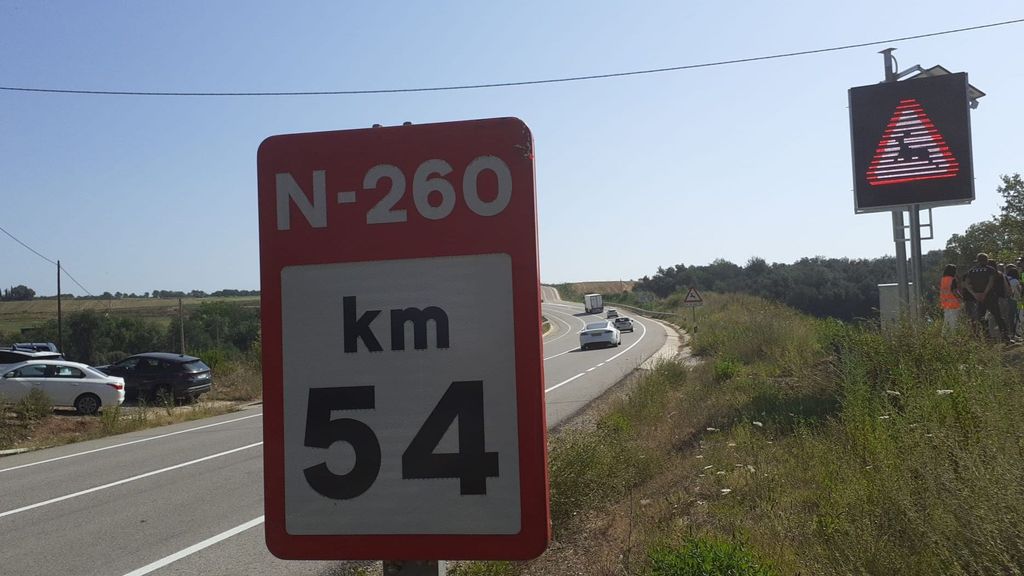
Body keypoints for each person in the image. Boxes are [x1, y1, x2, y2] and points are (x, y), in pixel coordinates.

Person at [963, 253, 1011, 343]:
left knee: (981, 318)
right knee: (998, 316)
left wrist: (975, 294)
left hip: (978, 297)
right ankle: (1005, 336)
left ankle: (986, 337)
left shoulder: (972, 271)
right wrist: (985, 293)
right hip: (990, 296)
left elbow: (966, 283)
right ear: (987, 260)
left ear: (977, 260)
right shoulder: (990, 269)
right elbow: (991, 282)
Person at [939, 264, 962, 331]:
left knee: (946, 321)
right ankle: (953, 336)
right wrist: (960, 298)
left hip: (945, 303)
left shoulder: (943, 279)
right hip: (953, 304)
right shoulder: (952, 279)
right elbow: (954, 291)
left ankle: (944, 335)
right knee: (953, 322)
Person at [1007, 264, 1021, 341]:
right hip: (1017, 301)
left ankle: (1011, 333)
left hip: (1007, 300)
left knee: (1009, 317)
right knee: (1017, 316)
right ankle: (1015, 333)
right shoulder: (1015, 281)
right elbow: (1019, 291)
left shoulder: (1006, 278)